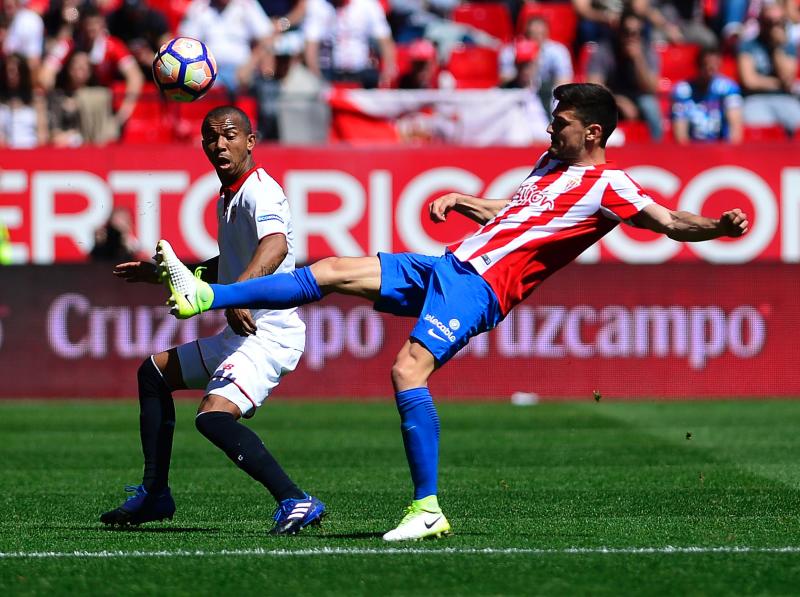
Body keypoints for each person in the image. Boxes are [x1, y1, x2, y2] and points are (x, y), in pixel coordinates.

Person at [156, 83, 749, 541]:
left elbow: (669, 222)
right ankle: (207, 295)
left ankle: (427, 509)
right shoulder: (550, 166)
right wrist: (466, 200)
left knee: (406, 371)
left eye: (561, 124)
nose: (551, 129)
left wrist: (717, 227)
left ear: (594, 132)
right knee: (336, 269)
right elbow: (516, 214)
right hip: (450, 265)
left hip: (479, 289)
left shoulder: (610, 185)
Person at [100, 106, 325, 535]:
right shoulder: (229, 194)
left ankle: (296, 499)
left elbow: (275, 245)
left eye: (229, 135)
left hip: (268, 333)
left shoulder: (262, 191)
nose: (219, 144)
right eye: (210, 137)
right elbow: (229, 263)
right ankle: (154, 494)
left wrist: (240, 290)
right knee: (152, 374)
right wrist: (161, 273)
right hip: (238, 332)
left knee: (212, 417)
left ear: (250, 142)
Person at [587, 10, 663, 140]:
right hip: (611, 97)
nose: (630, 37)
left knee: (650, 105)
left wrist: (638, 59)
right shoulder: (605, 50)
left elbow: (651, 88)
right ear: (619, 31)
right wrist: (619, 101)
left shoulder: (647, 51)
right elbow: (594, 86)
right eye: (626, 32)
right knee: (595, 108)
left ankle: (657, 148)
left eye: (635, 33)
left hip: (639, 97)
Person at [737, 3, 800, 136]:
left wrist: (776, 48)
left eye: (778, 22)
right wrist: (779, 84)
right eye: (769, 22)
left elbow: (787, 79)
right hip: (755, 99)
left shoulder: (788, 47)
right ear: (761, 22)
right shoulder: (747, 45)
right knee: (757, 126)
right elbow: (749, 82)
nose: (773, 27)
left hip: (785, 99)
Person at [303, 0, 398, 89]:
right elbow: (311, 45)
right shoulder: (318, 5)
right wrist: (317, 79)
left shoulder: (367, 4)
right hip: (330, 73)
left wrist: (388, 70)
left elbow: (384, 39)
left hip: (362, 72)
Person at [671, 46, 743, 143]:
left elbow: (735, 128)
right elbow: (680, 134)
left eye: (714, 67)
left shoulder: (728, 88)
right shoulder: (682, 91)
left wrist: (730, 152)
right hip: (692, 150)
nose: (710, 72)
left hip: (721, 149)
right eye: (706, 66)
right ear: (698, 66)